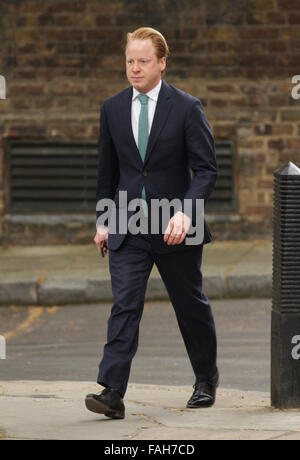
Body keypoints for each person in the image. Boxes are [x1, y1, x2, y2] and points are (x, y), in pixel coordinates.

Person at [85, 27, 219, 420]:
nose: (135, 68)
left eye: (143, 61)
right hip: (128, 224)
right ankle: (111, 391)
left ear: (162, 62)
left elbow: (207, 170)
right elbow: (107, 174)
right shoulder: (111, 108)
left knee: (189, 304)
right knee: (124, 304)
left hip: (175, 225)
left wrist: (186, 211)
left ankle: (205, 379)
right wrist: (104, 221)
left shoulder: (187, 107)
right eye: (130, 60)